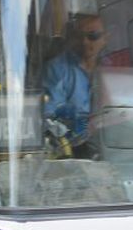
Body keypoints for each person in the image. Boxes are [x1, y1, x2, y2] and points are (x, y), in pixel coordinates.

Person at [43, 12, 107, 158]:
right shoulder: (57, 69)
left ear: (106, 38)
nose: (85, 42)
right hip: (73, 150)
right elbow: (52, 118)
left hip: (113, 145)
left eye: (92, 36)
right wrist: (88, 125)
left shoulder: (113, 67)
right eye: (79, 36)